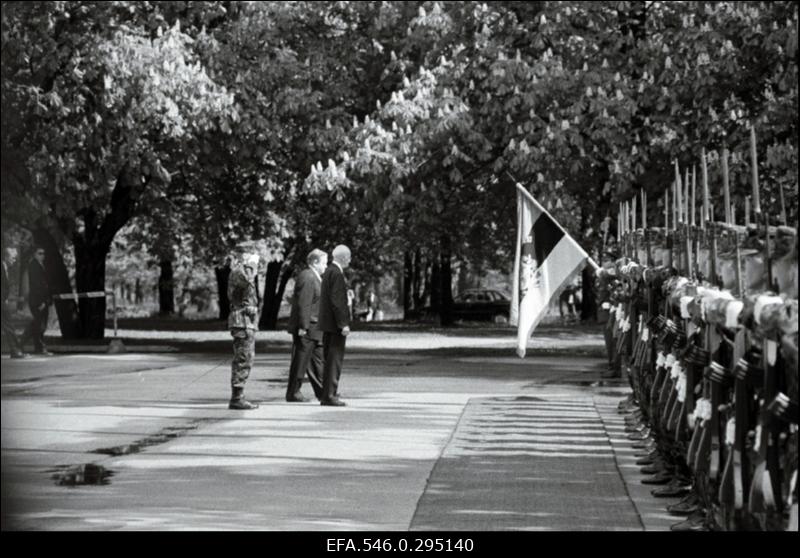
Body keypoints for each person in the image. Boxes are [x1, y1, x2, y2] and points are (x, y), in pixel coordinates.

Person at [285, 248, 327, 402]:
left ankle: (324, 392)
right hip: (307, 327)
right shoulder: (307, 276)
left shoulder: (315, 277)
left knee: (317, 362)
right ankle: (293, 393)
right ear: (315, 262)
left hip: (316, 327)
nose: (325, 266)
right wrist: (302, 326)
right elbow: (304, 303)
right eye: (324, 263)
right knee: (301, 361)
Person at [227, 251, 261, 410]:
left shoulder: (243, 271)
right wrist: (252, 265)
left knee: (246, 358)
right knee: (243, 358)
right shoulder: (240, 272)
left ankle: (238, 395)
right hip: (242, 321)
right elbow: (247, 283)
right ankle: (237, 397)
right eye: (254, 257)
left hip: (246, 321)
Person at [319, 245, 351, 407]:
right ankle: (330, 395)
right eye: (349, 257)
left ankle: (328, 393)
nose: (350, 261)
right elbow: (337, 301)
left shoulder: (328, 272)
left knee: (328, 359)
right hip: (334, 325)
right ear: (344, 258)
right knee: (334, 360)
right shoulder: (337, 273)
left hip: (327, 324)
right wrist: (343, 323)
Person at [20, 245, 53, 355]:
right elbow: (36, 285)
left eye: (43, 253)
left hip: (42, 300)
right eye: (40, 253)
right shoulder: (34, 266)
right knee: (37, 325)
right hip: (38, 300)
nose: (42, 256)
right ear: (34, 254)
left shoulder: (40, 265)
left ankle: (37, 348)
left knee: (37, 325)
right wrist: (41, 302)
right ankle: (21, 345)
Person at [596, 251, 622, 378]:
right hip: (604, 313)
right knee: (609, 342)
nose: (604, 262)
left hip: (611, 313)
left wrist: (604, 273)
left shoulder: (612, 274)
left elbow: (613, 277)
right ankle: (612, 366)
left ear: (613, 261)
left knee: (613, 342)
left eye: (607, 260)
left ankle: (614, 368)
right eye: (603, 260)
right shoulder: (604, 275)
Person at [2, 245, 26, 358]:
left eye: (15, 258)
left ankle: (15, 350)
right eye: (13, 257)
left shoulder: (5, 268)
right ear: (6, 256)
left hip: (3, 301)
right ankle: (15, 350)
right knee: (9, 326)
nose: (14, 260)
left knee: (8, 325)